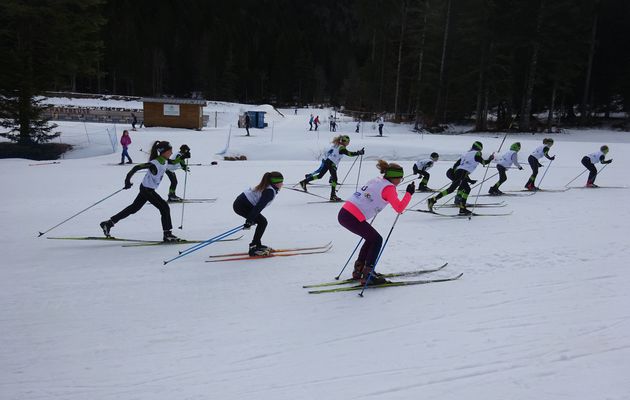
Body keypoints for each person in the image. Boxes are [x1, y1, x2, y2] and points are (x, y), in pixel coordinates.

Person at [338, 160, 415, 285]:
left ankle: (360, 270)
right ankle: (369, 274)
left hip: (345, 212)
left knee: (371, 239)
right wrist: (409, 194)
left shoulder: (377, 180)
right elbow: (399, 208)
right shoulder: (389, 188)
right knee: (377, 239)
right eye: (400, 178)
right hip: (352, 216)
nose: (400, 181)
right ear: (393, 177)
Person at [100, 141, 185, 242]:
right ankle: (167, 234)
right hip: (147, 190)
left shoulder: (165, 160)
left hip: (146, 188)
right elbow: (136, 167)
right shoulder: (155, 163)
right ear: (163, 152)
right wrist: (127, 181)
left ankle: (108, 223)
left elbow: (173, 162)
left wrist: (183, 157)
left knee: (133, 208)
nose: (171, 152)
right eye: (170, 151)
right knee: (164, 207)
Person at [427, 141, 494, 215]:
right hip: (463, 172)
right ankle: (460, 208)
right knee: (454, 189)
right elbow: (484, 162)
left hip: (459, 172)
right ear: (480, 148)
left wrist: (456, 175)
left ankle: (461, 207)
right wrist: (490, 158)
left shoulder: (466, 154)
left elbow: (456, 164)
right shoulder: (477, 153)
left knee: (462, 189)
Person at [299, 135, 365, 201]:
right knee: (334, 179)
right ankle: (333, 196)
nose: (348, 143)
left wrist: (358, 152)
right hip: (331, 163)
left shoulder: (337, 145)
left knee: (320, 176)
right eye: (348, 142)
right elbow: (349, 154)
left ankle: (304, 182)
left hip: (328, 161)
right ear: (345, 141)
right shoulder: (341, 148)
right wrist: (358, 153)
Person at [233, 171, 284, 256]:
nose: (282, 184)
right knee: (262, 222)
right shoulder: (269, 192)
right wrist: (249, 220)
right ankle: (254, 247)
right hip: (241, 205)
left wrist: (251, 219)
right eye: (280, 182)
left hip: (243, 203)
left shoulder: (268, 187)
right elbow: (258, 207)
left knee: (262, 222)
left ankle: (257, 244)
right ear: (275, 183)